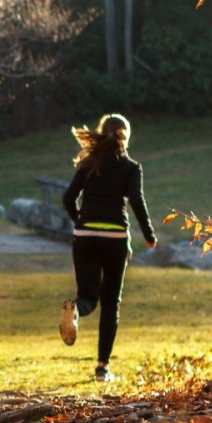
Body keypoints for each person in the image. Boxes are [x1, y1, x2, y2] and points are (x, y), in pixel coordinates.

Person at [58, 114, 156, 382]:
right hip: (115, 239)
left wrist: (80, 220)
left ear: (102, 133)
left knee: (88, 296)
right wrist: (149, 235)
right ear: (127, 136)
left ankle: (75, 309)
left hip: (85, 236)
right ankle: (102, 368)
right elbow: (136, 200)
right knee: (111, 303)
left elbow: (68, 198)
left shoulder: (89, 164)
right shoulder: (131, 167)